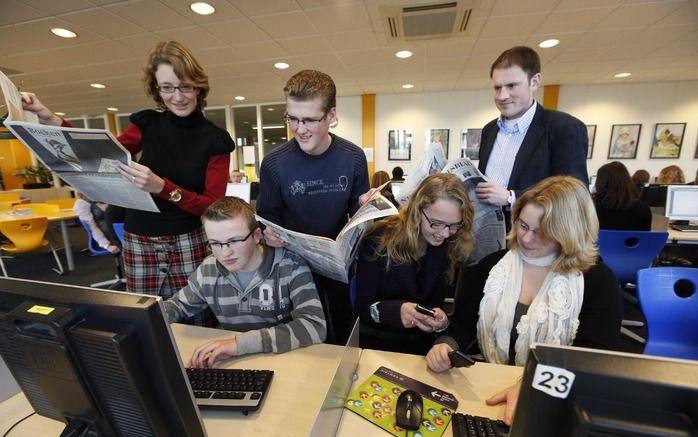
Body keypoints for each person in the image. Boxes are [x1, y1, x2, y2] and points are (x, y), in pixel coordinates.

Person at [22, 41, 235, 326]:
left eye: (185, 86)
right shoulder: (147, 125)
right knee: (147, 321)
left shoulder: (215, 140)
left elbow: (211, 206)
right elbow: (101, 155)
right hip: (139, 240)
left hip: (188, 241)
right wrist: (49, 117)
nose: (178, 96)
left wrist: (163, 187)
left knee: (196, 318)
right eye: (167, 88)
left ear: (198, 87)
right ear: (157, 90)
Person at [425, 176, 621, 425]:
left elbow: (592, 359)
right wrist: (446, 345)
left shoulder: (596, 281)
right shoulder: (492, 266)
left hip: (558, 401)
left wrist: (532, 383)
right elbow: (463, 324)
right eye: (523, 226)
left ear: (569, 234)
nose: (526, 239)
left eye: (542, 234)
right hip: (490, 387)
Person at [256, 69, 370, 345]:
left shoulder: (353, 157)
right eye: (292, 118)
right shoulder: (274, 164)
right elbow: (264, 220)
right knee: (298, 338)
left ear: (331, 116)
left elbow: (358, 213)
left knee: (340, 332)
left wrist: (367, 209)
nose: (300, 129)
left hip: (336, 266)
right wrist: (265, 232)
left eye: (309, 119)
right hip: (290, 268)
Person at [163, 197, 326, 367]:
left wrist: (240, 344)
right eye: (215, 244)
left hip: (283, 360)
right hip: (233, 361)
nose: (225, 253)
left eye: (234, 241)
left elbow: (315, 326)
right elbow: (177, 305)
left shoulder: (290, 266)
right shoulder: (209, 269)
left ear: (256, 235)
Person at [355, 173, 474, 355]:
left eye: (454, 225)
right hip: (376, 345)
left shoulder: (451, 244)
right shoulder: (379, 240)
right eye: (436, 223)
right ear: (417, 211)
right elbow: (362, 307)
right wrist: (396, 311)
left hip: (422, 350)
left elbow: (449, 317)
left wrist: (442, 323)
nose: (445, 234)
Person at [475, 46, 588, 231]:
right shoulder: (489, 130)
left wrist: (511, 198)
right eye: (497, 88)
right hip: (489, 234)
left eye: (512, 86)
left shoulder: (564, 128)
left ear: (534, 82)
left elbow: (574, 196)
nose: (502, 96)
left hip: (539, 236)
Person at [593, 162, 651, 231]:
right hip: (630, 242)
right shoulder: (642, 208)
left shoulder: (593, 206)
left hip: (600, 241)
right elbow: (646, 238)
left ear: (600, 182)